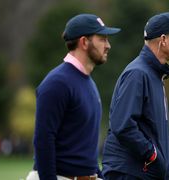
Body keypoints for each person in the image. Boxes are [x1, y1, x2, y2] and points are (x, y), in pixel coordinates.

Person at [102, 12, 169, 180]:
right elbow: (123, 126)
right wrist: (153, 155)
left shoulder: (153, 74)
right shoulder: (138, 74)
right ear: (163, 40)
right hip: (131, 174)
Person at [26, 14, 120, 180]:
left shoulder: (88, 83)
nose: (108, 45)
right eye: (102, 39)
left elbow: (84, 148)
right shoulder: (57, 83)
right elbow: (43, 140)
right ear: (84, 42)